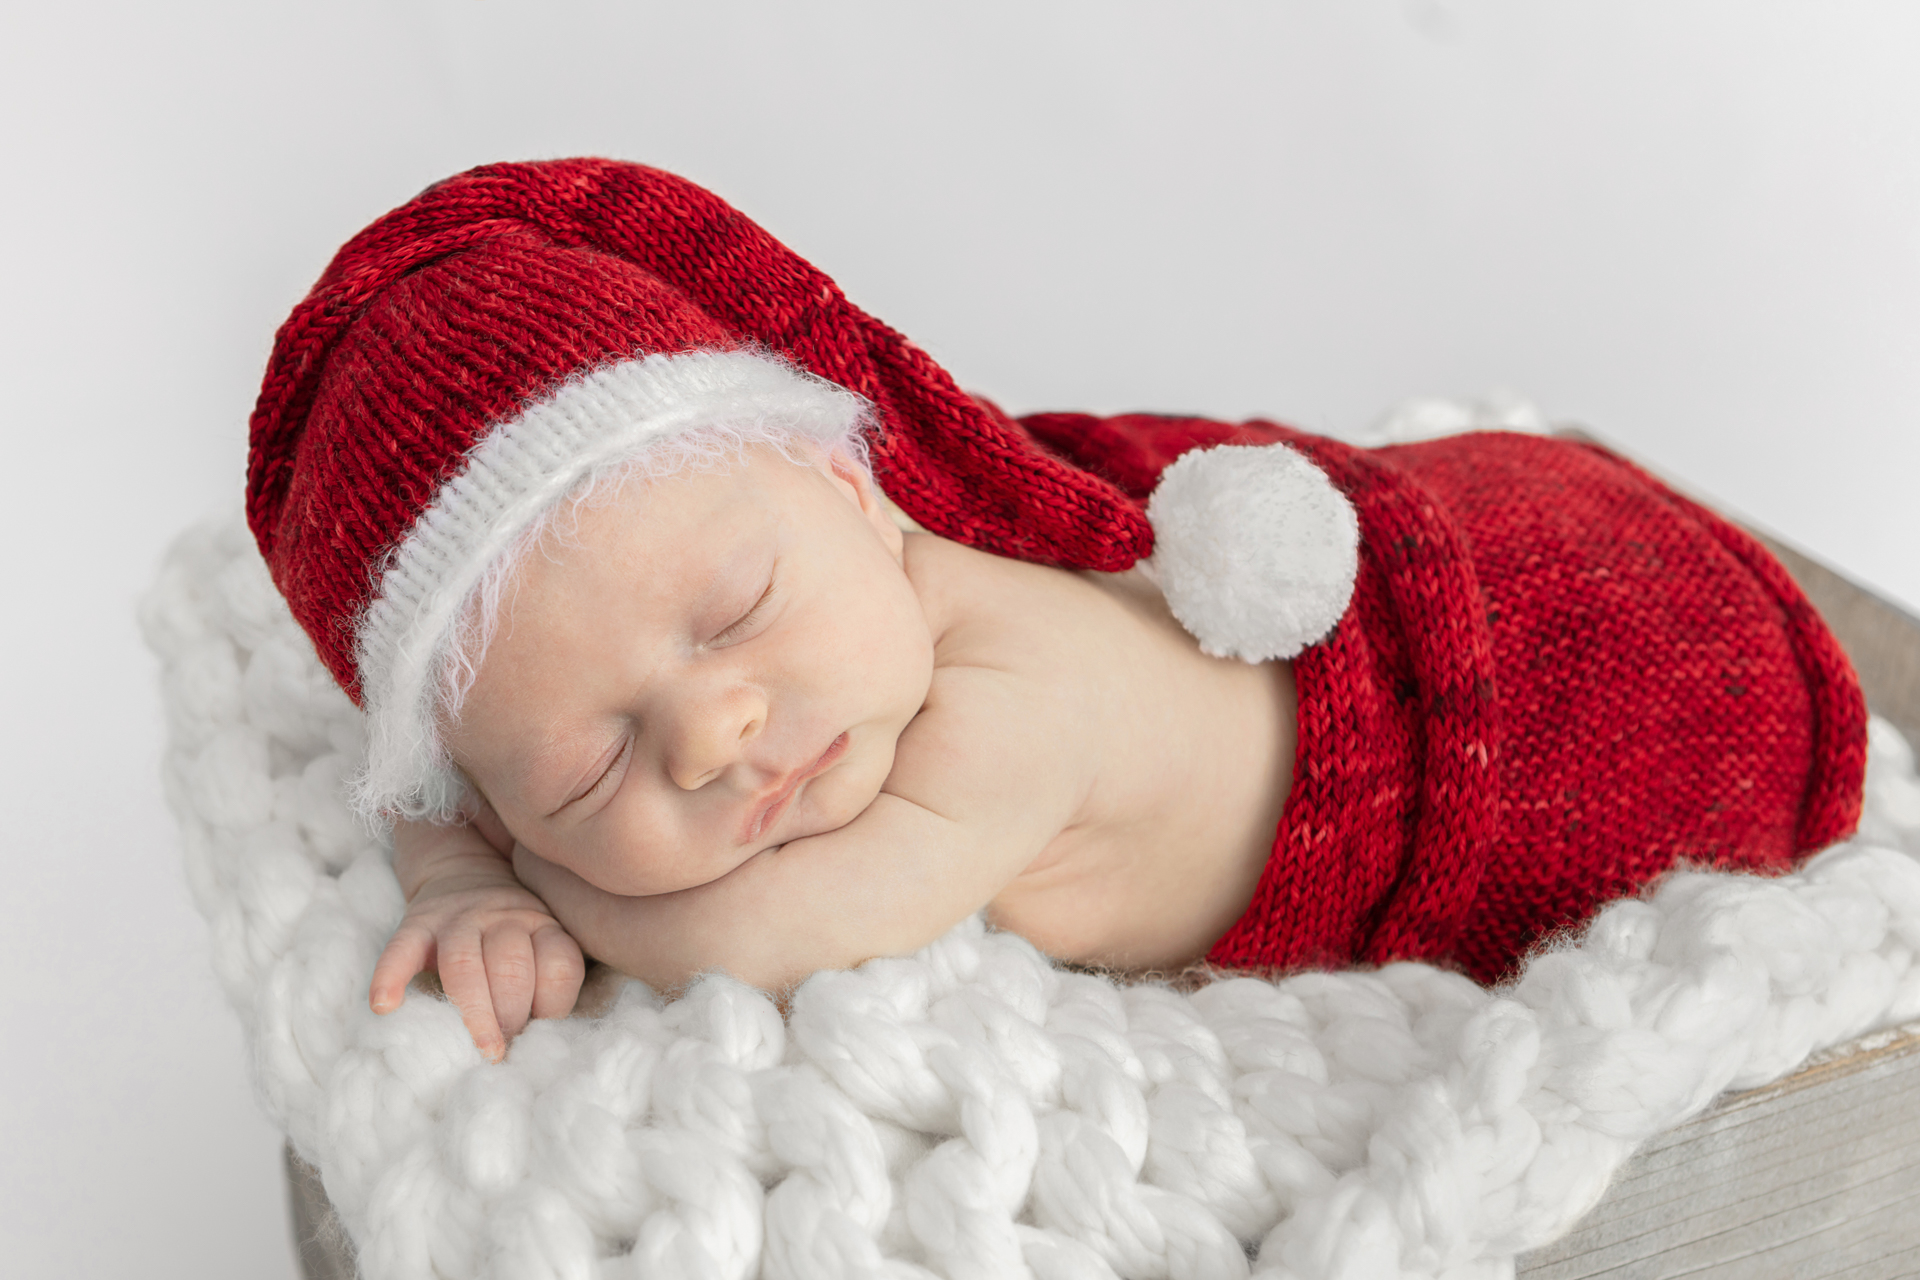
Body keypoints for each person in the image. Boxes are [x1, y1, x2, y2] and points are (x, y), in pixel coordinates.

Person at [247, 158, 1867, 1062]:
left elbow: (751, 939)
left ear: (852, 489)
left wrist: (536, 875)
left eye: (735, 614)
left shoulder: (1001, 702)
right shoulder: (835, 620)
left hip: (1554, 709)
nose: (716, 734)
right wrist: (458, 847)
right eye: (587, 773)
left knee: (1637, 710)